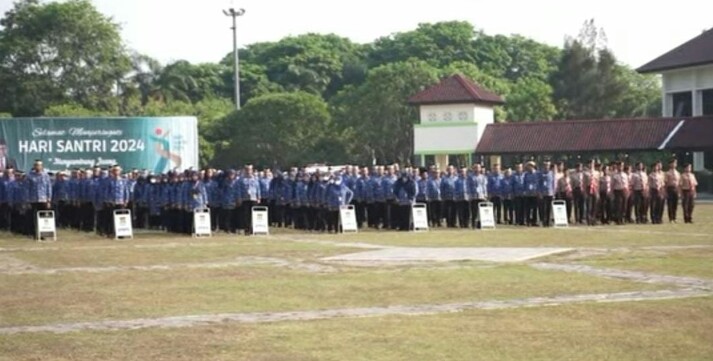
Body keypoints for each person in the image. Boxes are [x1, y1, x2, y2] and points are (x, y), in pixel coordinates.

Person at [26, 160, 52, 239]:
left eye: (39, 165)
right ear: (34, 166)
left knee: (43, 217)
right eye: (36, 165)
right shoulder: (30, 176)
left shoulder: (46, 176)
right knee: (33, 217)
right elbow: (27, 188)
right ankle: (34, 234)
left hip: (43, 199)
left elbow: (49, 188)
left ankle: (43, 234)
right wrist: (27, 199)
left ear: (42, 166)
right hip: (33, 199)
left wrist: (49, 199)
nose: (38, 167)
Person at [104, 165, 130, 238]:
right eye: (114, 170)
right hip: (112, 202)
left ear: (120, 171)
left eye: (117, 170)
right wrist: (108, 200)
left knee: (121, 218)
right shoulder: (110, 181)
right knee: (111, 218)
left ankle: (121, 233)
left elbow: (126, 191)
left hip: (120, 202)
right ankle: (111, 232)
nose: (116, 172)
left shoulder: (123, 181)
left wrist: (126, 200)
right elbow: (107, 192)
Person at [238, 165, 261, 235]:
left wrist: (259, 197)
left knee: (253, 215)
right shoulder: (241, 179)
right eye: (247, 170)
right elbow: (239, 189)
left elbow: (258, 188)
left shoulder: (255, 179)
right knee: (246, 215)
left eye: (250, 170)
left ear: (252, 170)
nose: (248, 171)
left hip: (253, 198)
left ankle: (254, 229)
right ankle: (247, 229)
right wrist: (239, 198)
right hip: (245, 199)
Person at [664, 159, 681, 223]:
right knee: (670, 204)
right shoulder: (667, 173)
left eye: (675, 163)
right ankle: (671, 218)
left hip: (676, 189)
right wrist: (665, 191)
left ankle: (674, 217)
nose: (674, 164)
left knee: (675, 204)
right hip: (670, 189)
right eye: (673, 163)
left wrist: (679, 191)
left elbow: (679, 183)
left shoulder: (678, 173)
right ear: (670, 164)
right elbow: (665, 183)